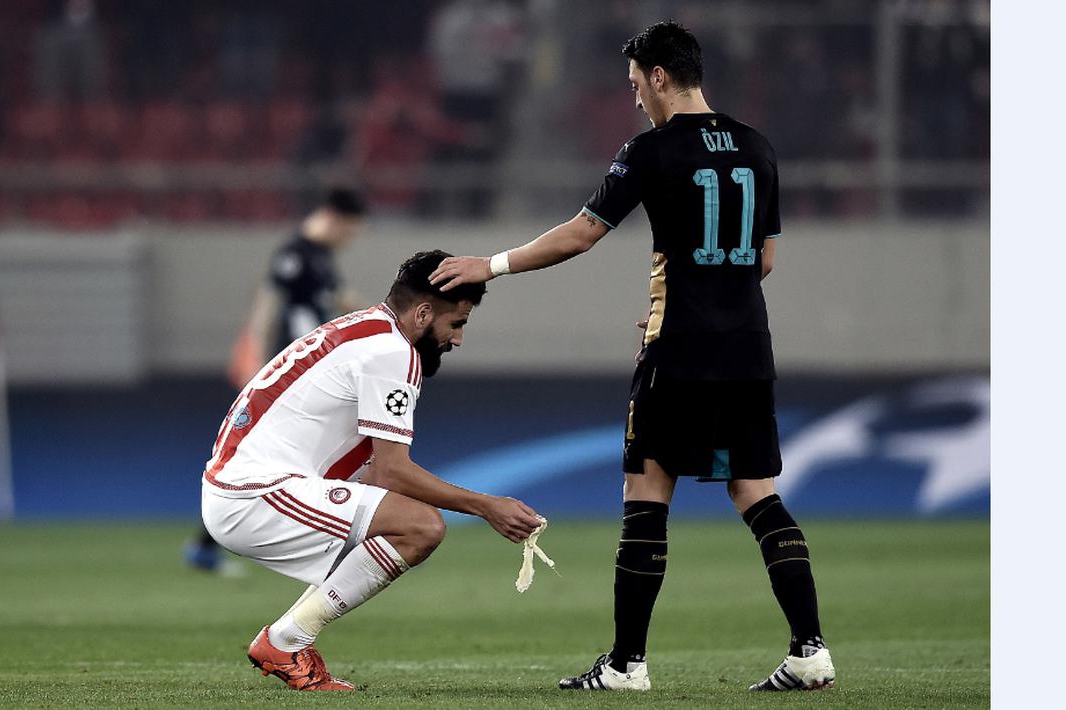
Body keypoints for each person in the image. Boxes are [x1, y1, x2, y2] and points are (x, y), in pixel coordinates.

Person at [427, 21, 834, 693]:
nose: (635, 98)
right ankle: (809, 652)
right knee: (758, 494)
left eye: (635, 84)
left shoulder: (652, 149)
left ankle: (625, 666)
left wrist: (489, 264)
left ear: (660, 77)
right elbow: (762, 258)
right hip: (748, 347)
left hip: (678, 352)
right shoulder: (758, 148)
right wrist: (706, 295)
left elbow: (583, 233)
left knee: (646, 495)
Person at [201, 250, 542, 691]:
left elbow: (374, 473)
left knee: (390, 529)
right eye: (456, 324)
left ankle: (285, 639)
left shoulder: (367, 329)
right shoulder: (393, 353)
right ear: (422, 313)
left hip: (246, 484)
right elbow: (392, 474)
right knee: (419, 527)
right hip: (253, 493)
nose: (457, 340)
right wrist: (488, 506)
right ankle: (285, 641)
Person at [185, 187, 369, 573]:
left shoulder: (321, 257)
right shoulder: (295, 253)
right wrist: (254, 354)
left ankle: (207, 545)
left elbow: (336, 299)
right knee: (296, 453)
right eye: (350, 230)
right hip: (296, 377)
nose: (350, 239)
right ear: (334, 218)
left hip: (321, 373)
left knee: (301, 453)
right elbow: (269, 300)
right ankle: (354, 531)